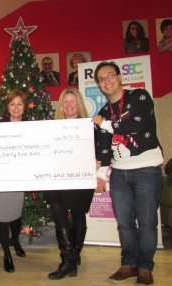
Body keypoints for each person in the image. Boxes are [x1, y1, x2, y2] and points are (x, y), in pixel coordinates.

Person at [92, 61, 163, 285]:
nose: (107, 81)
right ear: (99, 85)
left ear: (120, 77)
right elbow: (104, 147)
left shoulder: (140, 97)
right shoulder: (104, 112)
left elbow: (136, 126)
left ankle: (145, 267)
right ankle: (128, 264)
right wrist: (102, 174)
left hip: (147, 169)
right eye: (101, 79)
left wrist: (106, 125)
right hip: (119, 174)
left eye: (110, 75)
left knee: (148, 222)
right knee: (124, 223)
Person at [44, 87, 95, 280]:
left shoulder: (89, 126)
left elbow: (98, 150)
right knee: (58, 215)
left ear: (79, 104)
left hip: (80, 179)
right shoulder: (52, 126)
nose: (68, 105)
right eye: (65, 102)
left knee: (78, 214)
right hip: (56, 180)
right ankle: (68, 260)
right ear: (61, 105)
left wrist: (97, 166)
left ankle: (74, 256)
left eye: (72, 101)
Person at [0, 89, 27, 273]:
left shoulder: (31, 127)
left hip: (19, 176)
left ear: (24, 106)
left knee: (16, 213)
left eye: (19, 104)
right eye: (12, 104)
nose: (16, 107)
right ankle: (6, 254)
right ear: (7, 107)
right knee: (2, 217)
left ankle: (16, 240)